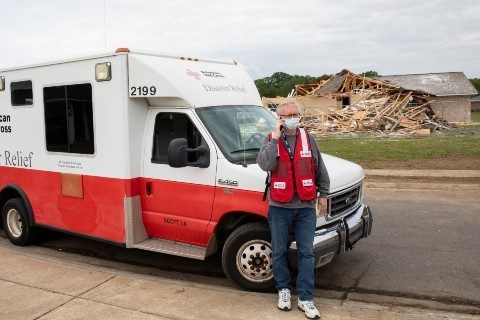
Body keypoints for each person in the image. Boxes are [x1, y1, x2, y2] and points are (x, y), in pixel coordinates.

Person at [257, 101, 330, 319]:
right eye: (287, 115)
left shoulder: (308, 139)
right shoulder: (271, 140)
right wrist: (276, 138)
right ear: (279, 118)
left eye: (295, 114)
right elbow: (265, 164)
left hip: (306, 207)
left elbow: (319, 167)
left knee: (306, 253)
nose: (292, 117)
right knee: (279, 251)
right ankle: (284, 290)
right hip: (280, 207)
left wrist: (324, 194)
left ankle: (306, 298)